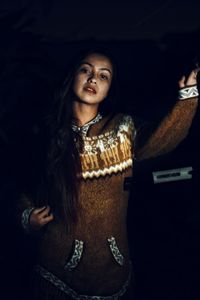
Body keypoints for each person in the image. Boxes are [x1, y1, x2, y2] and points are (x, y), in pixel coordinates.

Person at [17, 48, 199, 300]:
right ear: (73, 76)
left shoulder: (121, 128)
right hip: (54, 272)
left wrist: (187, 97)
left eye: (104, 76)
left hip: (113, 270)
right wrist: (28, 217)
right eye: (86, 70)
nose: (93, 78)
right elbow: (23, 188)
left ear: (109, 88)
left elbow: (161, 140)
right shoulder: (46, 135)